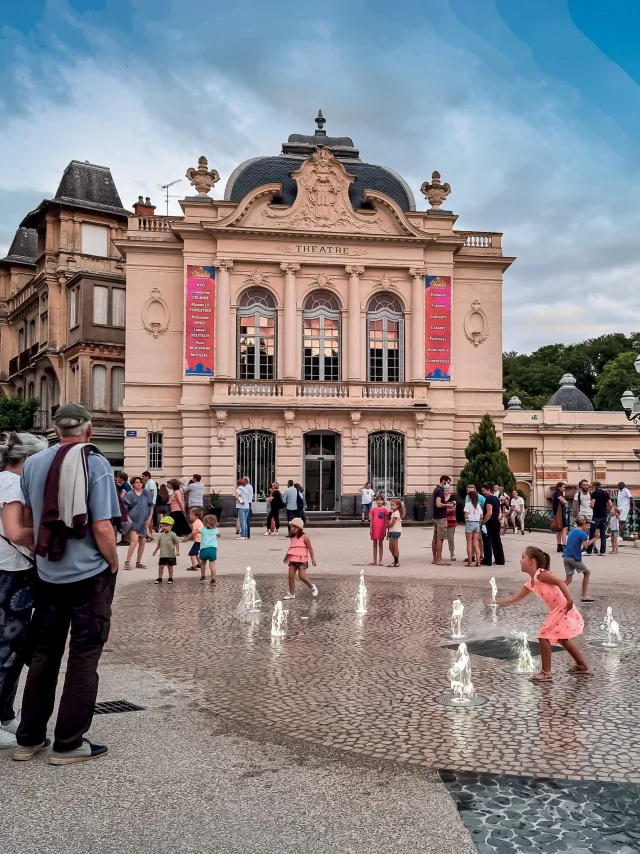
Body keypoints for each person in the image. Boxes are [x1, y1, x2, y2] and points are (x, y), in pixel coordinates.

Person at [14, 403, 120, 765]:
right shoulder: (95, 462)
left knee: (44, 655)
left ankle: (29, 739)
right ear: (88, 429)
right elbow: (102, 526)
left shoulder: (33, 464)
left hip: (48, 574)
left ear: (56, 431)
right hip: (89, 576)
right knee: (83, 655)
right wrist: (113, 563)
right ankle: (68, 743)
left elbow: (29, 520)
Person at [0, 432, 48, 749]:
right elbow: (15, 532)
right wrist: (53, 535)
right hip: (10, 574)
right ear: (29, 459)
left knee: (13, 649)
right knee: (6, 650)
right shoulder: (12, 483)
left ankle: (5, 714)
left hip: (11, 572)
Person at [495, 546, 587, 682]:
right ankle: (582, 665)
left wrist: (570, 599)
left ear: (532, 561)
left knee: (543, 635)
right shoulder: (531, 583)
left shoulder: (542, 575)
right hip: (557, 609)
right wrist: (496, 602)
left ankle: (546, 672)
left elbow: (560, 582)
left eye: (523, 557)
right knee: (563, 639)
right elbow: (515, 599)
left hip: (563, 607)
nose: (520, 561)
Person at [563, 515, 600, 603]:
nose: (588, 527)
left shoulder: (573, 531)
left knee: (569, 579)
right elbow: (585, 545)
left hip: (566, 556)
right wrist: (595, 538)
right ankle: (584, 595)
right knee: (587, 573)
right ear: (584, 524)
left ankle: (556, 591)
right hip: (574, 557)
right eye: (588, 524)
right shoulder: (582, 533)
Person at [283, 517, 317, 600]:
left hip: (302, 560)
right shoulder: (292, 537)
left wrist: (313, 559)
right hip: (293, 559)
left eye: (293, 527)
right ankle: (292, 594)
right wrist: (286, 556)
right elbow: (291, 547)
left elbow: (310, 548)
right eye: (291, 527)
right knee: (290, 576)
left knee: (302, 577)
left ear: (298, 528)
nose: (292, 528)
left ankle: (312, 586)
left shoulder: (305, 537)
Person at [123, 476, 153, 569]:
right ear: (133, 484)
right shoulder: (129, 494)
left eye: (140, 482)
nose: (139, 484)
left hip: (143, 521)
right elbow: (125, 508)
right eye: (137, 482)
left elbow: (151, 505)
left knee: (142, 541)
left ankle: (138, 562)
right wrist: (128, 519)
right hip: (133, 521)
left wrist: (149, 518)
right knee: (134, 541)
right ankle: (127, 562)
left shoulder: (146, 493)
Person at [481, 483, 505, 566]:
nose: (483, 492)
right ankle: (500, 560)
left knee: (487, 541)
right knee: (497, 541)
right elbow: (499, 511)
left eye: (484, 490)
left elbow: (489, 513)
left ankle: (488, 560)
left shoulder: (488, 499)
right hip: (496, 522)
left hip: (489, 523)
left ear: (489, 490)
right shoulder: (496, 499)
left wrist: (483, 522)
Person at [587, 481, 612, 556]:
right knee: (603, 534)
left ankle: (588, 551)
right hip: (604, 515)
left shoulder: (594, 493)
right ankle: (602, 551)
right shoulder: (606, 493)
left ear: (594, 486)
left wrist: (590, 506)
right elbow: (610, 504)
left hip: (596, 515)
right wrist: (605, 509)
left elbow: (592, 505)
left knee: (592, 533)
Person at [432, 475, 453, 566]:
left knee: (435, 538)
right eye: (447, 483)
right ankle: (439, 559)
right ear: (443, 481)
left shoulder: (436, 489)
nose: (448, 485)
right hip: (441, 517)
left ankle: (435, 558)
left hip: (435, 516)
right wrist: (447, 505)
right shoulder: (440, 491)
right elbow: (438, 504)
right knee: (440, 538)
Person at [152, 516, 180, 583]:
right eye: (163, 526)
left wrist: (177, 551)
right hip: (162, 554)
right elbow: (159, 544)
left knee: (170, 566)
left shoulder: (173, 534)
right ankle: (160, 578)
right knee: (161, 566)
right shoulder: (162, 535)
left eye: (166, 526)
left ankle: (170, 578)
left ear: (171, 526)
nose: (164, 527)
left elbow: (176, 543)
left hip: (170, 554)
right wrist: (155, 551)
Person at [464, 484, 485, 565]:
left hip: (470, 523)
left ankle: (470, 561)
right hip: (477, 523)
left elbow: (466, 515)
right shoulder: (478, 505)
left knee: (469, 543)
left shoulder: (468, 505)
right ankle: (478, 561)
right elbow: (481, 515)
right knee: (476, 543)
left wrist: (468, 516)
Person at [369, 494, 389, 566]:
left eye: (380, 500)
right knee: (374, 545)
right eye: (377, 500)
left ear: (383, 501)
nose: (379, 501)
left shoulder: (385, 510)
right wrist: (371, 529)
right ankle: (374, 560)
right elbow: (371, 520)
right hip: (374, 528)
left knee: (381, 544)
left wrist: (385, 529)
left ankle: (380, 560)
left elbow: (386, 521)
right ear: (375, 501)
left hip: (381, 529)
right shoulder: (373, 510)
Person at [199, 514, 219, 584]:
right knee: (212, 564)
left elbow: (195, 531)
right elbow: (219, 534)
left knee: (203, 563)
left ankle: (203, 576)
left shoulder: (203, 530)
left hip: (204, 549)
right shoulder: (215, 530)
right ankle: (213, 579)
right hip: (212, 549)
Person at [387, 498, 405, 567]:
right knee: (391, 547)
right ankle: (395, 559)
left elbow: (392, 524)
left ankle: (396, 561)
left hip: (395, 531)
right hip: (392, 531)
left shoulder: (396, 513)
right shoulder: (394, 513)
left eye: (393, 505)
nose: (392, 506)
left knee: (394, 546)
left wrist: (385, 526)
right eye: (391, 505)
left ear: (397, 506)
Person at [551, 482, 568, 552]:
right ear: (559, 487)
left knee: (559, 530)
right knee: (564, 528)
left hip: (558, 513)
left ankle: (559, 546)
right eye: (563, 487)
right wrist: (565, 500)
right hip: (560, 514)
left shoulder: (557, 494)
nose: (564, 488)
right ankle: (564, 545)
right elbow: (564, 502)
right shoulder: (557, 494)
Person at [142, 471, 157, 539]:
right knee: (150, 518)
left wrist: (148, 501)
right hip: (150, 502)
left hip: (149, 502)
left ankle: (149, 534)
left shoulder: (150, 483)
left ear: (147, 476)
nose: (142, 478)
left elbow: (152, 492)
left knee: (149, 519)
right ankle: (149, 534)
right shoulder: (149, 482)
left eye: (143, 476)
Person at [444, 486, 457, 561]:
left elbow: (453, 509)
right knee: (440, 538)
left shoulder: (452, 498)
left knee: (451, 538)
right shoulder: (440, 498)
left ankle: (452, 554)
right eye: (445, 489)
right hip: (442, 520)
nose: (446, 491)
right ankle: (438, 555)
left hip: (451, 520)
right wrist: (448, 507)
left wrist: (444, 508)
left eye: (447, 489)